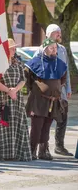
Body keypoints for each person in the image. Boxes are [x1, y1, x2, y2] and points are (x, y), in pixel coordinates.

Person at [0, 38, 31, 161]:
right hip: (1, 98)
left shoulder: (17, 62)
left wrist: (15, 90)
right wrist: (8, 90)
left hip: (15, 98)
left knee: (15, 124)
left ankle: (15, 153)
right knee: (0, 125)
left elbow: (23, 79)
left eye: (14, 48)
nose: (13, 50)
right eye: (11, 48)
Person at [33, 24, 73, 156]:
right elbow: (34, 71)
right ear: (49, 34)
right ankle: (42, 148)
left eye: (60, 33)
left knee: (62, 117)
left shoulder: (62, 50)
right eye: (57, 33)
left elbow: (65, 71)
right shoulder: (40, 50)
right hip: (45, 94)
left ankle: (59, 146)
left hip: (60, 91)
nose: (59, 35)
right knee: (44, 120)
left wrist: (68, 88)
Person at [25, 38, 67, 160]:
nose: (54, 50)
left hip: (53, 101)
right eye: (51, 48)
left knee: (47, 127)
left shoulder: (60, 63)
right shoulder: (35, 62)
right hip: (39, 100)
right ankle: (31, 150)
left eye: (55, 48)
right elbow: (27, 77)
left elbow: (63, 78)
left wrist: (57, 88)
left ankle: (43, 151)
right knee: (36, 127)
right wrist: (36, 89)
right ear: (45, 49)